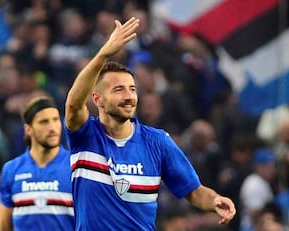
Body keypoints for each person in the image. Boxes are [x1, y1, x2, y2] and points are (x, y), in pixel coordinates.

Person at [64, 17, 236, 230]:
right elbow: (73, 105)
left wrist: (214, 200)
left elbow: (193, 191)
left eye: (132, 89)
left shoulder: (157, 142)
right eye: (119, 90)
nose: (129, 96)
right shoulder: (86, 136)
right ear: (97, 99)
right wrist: (104, 54)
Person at [0, 96, 75, 231]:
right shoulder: (11, 170)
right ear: (28, 129)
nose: (52, 127)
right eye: (44, 122)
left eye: (55, 120)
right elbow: (3, 226)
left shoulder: (74, 166)